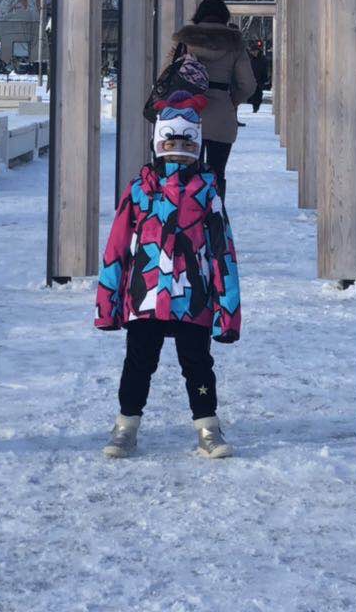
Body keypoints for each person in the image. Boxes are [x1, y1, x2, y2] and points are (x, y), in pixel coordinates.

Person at [95, 94, 241, 460]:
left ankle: (207, 425)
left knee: (198, 364)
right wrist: (107, 303)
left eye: (187, 143)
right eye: (170, 142)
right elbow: (116, 247)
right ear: (157, 144)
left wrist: (229, 310)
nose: (178, 151)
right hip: (145, 295)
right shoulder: (140, 190)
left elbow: (223, 252)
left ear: (198, 145)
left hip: (193, 297)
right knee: (138, 362)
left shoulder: (207, 192)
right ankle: (126, 424)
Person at [170, 0, 257, 198]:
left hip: (188, 117)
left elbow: (166, 74)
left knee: (188, 173)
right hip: (222, 118)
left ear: (198, 15)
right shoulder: (235, 44)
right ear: (224, 17)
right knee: (217, 173)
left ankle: (189, 219)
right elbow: (248, 84)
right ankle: (215, 219)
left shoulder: (185, 41)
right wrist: (231, 101)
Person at [247, 38, 269, 114]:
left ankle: (255, 107)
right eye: (253, 51)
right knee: (252, 94)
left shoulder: (263, 59)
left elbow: (265, 70)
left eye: (255, 51)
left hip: (259, 80)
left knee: (258, 94)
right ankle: (254, 105)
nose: (254, 53)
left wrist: (265, 79)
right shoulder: (249, 59)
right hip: (251, 79)